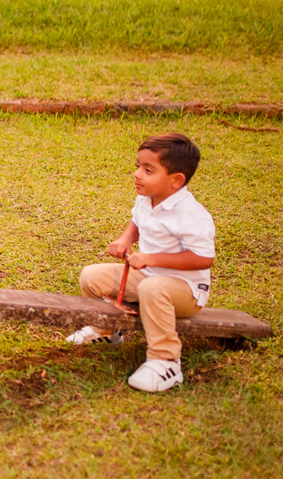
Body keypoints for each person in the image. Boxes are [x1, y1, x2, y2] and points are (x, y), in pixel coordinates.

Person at [66, 132, 215, 393]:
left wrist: (151, 258)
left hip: (186, 291)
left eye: (148, 170)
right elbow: (137, 221)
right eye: (138, 166)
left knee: (152, 288)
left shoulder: (193, 216)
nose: (137, 174)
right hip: (148, 277)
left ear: (176, 180)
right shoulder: (146, 198)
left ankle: (165, 361)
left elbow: (203, 258)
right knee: (92, 277)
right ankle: (106, 332)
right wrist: (125, 239)